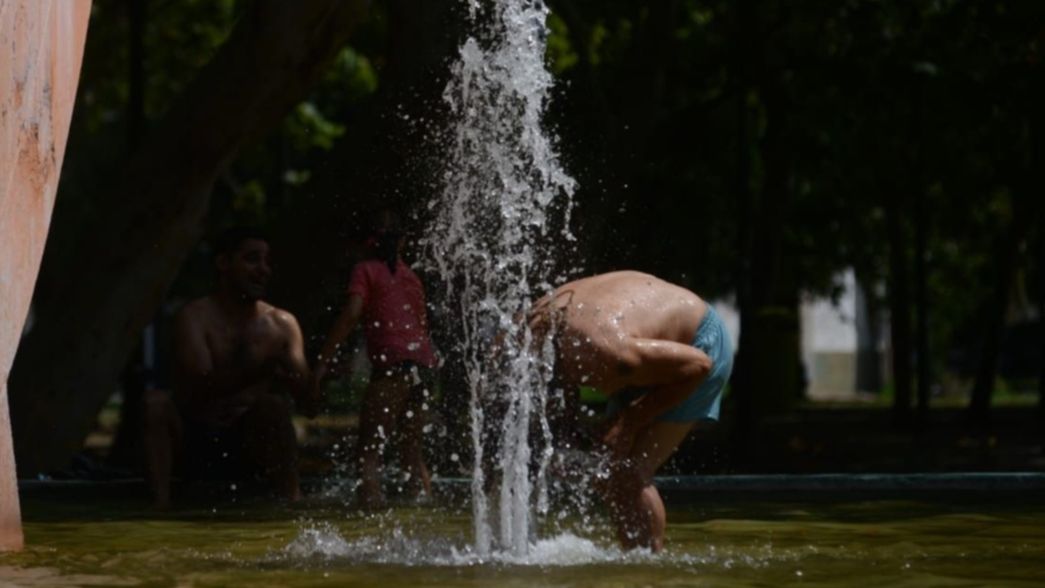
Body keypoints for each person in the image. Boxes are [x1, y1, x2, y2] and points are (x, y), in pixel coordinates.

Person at [529, 271, 733, 552]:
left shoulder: (607, 353)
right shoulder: (526, 337)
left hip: (696, 347)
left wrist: (627, 423)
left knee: (628, 472)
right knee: (607, 470)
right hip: (635, 344)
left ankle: (646, 570)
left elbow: (698, 366)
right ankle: (630, 557)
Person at [142, 228, 315, 509]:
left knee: (272, 406)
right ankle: (160, 509)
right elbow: (201, 388)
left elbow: (309, 404)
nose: (264, 270)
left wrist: (311, 381)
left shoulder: (282, 324)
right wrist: (259, 370)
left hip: (249, 441)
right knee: (154, 404)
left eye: (267, 262)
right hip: (194, 439)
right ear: (224, 263)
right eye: (252, 259)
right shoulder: (194, 317)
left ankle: (292, 504)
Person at [314, 211, 439, 509]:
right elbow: (421, 326)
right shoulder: (412, 277)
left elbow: (353, 312)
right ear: (402, 243)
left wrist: (323, 360)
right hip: (423, 367)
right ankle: (423, 514)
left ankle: (366, 520)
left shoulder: (365, 270)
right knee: (412, 452)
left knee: (369, 450)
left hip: (392, 368)